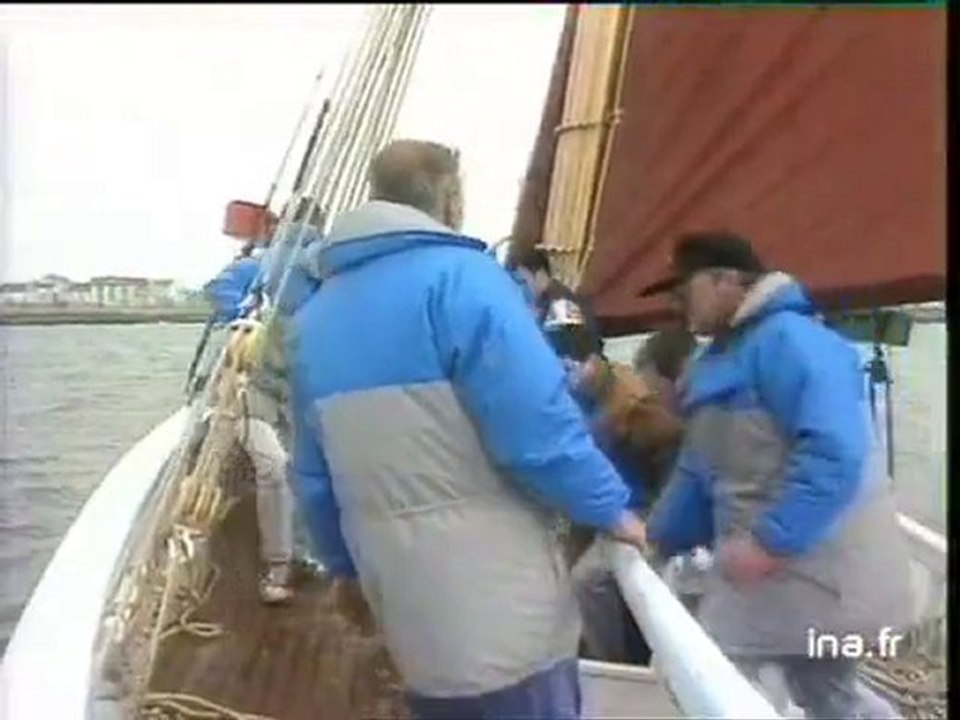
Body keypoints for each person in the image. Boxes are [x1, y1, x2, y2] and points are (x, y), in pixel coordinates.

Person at [286, 138, 647, 719]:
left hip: (405, 607)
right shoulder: (465, 281)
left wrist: (345, 571)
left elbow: (312, 479)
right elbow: (538, 431)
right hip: (500, 607)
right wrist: (613, 509)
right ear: (450, 198)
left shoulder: (312, 319)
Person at [642, 231, 913, 720]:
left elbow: (835, 452)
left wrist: (770, 544)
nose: (677, 304)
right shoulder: (719, 363)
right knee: (827, 691)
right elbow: (698, 474)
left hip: (815, 574)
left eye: (683, 290)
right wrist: (655, 537)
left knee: (707, 667)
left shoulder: (794, 342)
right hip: (784, 581)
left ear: (727, 281)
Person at [569, 327, 696, 665]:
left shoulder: (640, 411)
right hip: (623, 515)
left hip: (641, 516)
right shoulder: (598, 405)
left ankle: (617, 664)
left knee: (589, 580)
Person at [507, 246, 604, 363]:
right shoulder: (551, 300)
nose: (520, 290)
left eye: (522, 282)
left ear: (540, 275)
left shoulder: (561, 305)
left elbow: (569, 354)